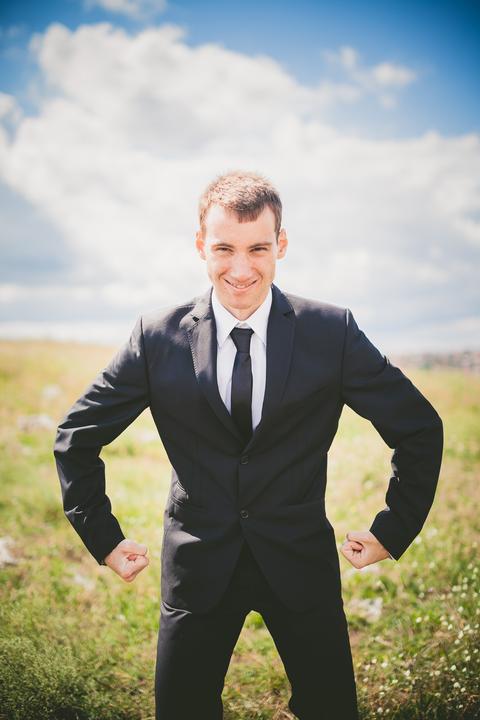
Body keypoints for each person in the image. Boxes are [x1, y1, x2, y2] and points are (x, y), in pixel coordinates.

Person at [53, 170, 444, 720]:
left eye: (258, 248)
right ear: (200, 245)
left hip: (300, 563)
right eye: (224, 249)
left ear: (280, 244)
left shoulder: (331, 332)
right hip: (197, 567)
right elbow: (76, 437)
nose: (241, 269)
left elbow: (418, 427)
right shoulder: (155, 337)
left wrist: (393, 528)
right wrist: (104, 538)